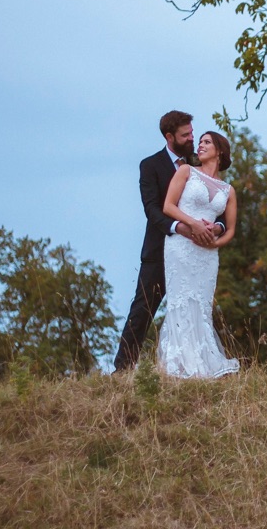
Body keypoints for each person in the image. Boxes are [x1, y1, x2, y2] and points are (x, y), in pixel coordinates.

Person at [113, 111, 222, 372]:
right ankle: (123, 368)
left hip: (196, 253)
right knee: (143, 309)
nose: (191, 139)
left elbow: (217, 204)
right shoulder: (150, 165)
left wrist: (216, 227)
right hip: (160, 250)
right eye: (186, 135)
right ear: (169, 137)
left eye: (192, 133)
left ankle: (194, 367)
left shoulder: (198, 165)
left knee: (196, 309)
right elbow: (151, 209)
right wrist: (178, 227)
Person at [157, 130, 240, 378]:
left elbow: (231, 229)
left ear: (220, 150)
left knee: (202, 305)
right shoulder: (186, 172)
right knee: (182, 300)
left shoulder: (228, 190)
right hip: (181, 246)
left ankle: (203, 361)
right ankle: (179, 363)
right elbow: (168, 206)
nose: (200, 145)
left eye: (207, 142)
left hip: (207, 254)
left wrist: (215, 244)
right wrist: (193, 224)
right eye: (200, 142)